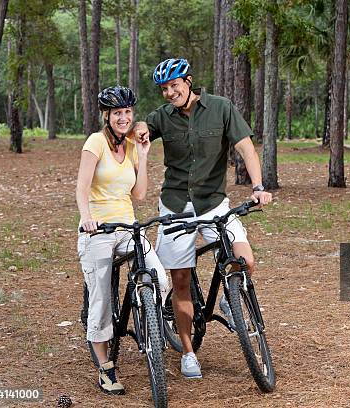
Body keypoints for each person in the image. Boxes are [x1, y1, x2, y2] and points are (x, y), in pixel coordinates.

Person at [135, 58, 272, 379]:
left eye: (174, 86)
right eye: (164, 89)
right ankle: (188, 352)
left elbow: (246, 149)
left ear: (189, 82)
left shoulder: (221, 108)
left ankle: (230, 299)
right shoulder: (162, 117)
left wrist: (258, 186)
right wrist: (140, 130)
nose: (170, 93)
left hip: (214, 203)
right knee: (180, 280)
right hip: (175, 204)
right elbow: (144, 127)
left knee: (244, 259)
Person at [76, 86, 170, 395]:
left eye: (128, 112)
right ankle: (105, 366)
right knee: (102, 300)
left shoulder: (132, 145)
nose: (124, 117)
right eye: (118, 113)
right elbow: (81, 188)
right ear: (107, 116)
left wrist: (143, 157)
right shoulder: (95, 142)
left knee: (159, 278)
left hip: (128, 226)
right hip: (98, 229)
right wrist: (88, 218)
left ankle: (150, 321)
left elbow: (139, 194)